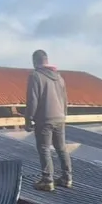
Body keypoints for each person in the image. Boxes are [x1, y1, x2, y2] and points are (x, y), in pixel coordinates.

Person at [25, 49, 71, 191]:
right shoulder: (59, 77)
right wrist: (63, 115)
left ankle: (47, 180)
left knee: (44, 148)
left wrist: (28, 118)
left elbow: (33, 99)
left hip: (45, 119)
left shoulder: (36, 76)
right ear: (46, 60)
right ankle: (67, 178)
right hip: (59, 118)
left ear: (34, 61)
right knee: (61, 148)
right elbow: (65, 100)